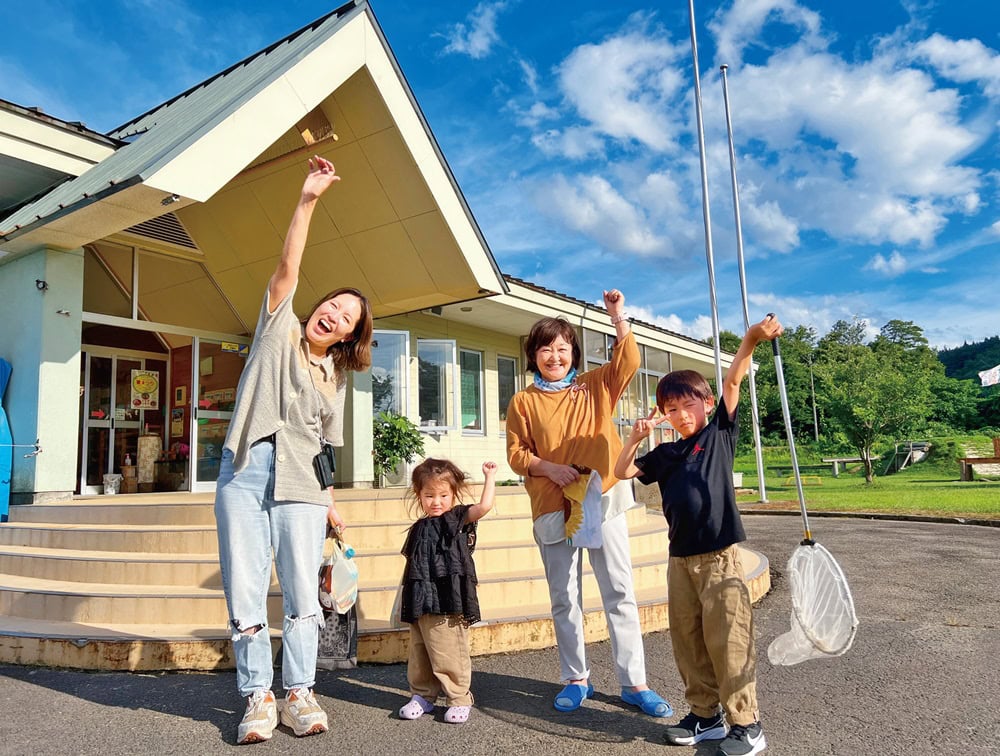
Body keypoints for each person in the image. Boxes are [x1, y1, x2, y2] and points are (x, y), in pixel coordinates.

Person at [214, 157, 374, 745]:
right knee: (245, 587)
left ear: (349, 337)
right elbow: (288, 267)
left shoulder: (335, 381)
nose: (334, 313)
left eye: (347, 318)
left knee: (303, 594)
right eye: (333, 303)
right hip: (246, 470)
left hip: (305, 488)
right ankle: (257, 696)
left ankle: (299, 692)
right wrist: (307, 200)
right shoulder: (277, 328)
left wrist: (332, 503)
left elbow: (326, 451)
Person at [614, 313, 783, 756]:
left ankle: (747, 724)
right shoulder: (665, 453)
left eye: (687, 405)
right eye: (670, 409)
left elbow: (733, 381)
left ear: (705, 404)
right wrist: (635, 438)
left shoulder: (719, 434)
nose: (680, 414)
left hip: (720, 556)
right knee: (687, 640)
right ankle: (706, 718)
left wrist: (750, 338)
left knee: (729, 639)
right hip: (680, 560)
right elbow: (621, 471)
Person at [505, 290, 672, 718]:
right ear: (533, 355)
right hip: (552, 504)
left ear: (573, 353)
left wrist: (617, 316)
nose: (553, 356)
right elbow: (516, 453)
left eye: (562, 348)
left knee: (618, 590)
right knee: (565, 597)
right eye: (545, 348)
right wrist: (548, 468)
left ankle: (635, 683)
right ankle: (576, 678)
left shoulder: (594, 385)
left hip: (604, 498)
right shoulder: (523, 401)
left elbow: (629, 362)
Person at [397, 458, 497, 724]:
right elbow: (412, 565)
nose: (436, 501)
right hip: (421, 595)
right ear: (419, 495)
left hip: (448, 595)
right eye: (429, 495)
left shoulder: (457, 518)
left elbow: (484, 506)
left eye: (443, 495)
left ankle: (458, 697)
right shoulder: (419, 527)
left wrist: (490, 477)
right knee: (420, 649)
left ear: (453, 495)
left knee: (448, 648)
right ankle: (422, 695)